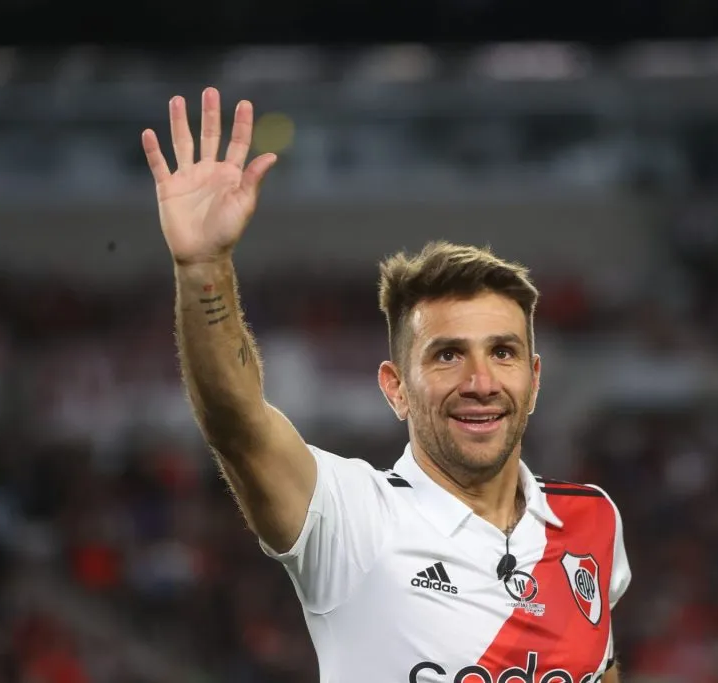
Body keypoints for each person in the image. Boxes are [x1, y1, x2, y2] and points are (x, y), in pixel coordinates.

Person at [142, 87, 632, 682]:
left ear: (533, 380)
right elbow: (236, 423)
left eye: (502, 353)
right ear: (395, 387)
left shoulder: (593, 521)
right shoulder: (351, 518)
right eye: (448, 355)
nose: (480, 381)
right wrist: (202, 269)